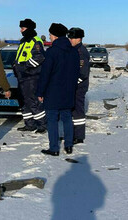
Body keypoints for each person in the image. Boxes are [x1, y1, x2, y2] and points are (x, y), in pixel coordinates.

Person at [37, 23, 80, 156]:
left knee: (52, 120)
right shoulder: (74, 51)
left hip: (53, 92)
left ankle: (54, 148)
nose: (49, 36)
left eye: (50, 34)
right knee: (67, 118)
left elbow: (45, 74)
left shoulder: (52, 52)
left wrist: (40, 92)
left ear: (54, 36)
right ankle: (68, 146)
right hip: (68, 91)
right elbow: (76, 72)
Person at [13, 18, 47, 133]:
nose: (21, 31)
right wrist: (15, 66)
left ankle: (42, 125)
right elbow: (20, 57)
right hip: (22, 77)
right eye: (20, 28)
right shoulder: (23, 41)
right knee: (24, 101)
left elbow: (39, 57)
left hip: (31, 77)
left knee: (33, 102)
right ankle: (29, 124)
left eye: (22, 28)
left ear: (29, 28)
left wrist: (25, 66)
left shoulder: (35, 41)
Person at [68, 27, 90, 145]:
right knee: (73, 110)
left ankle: (79, 136)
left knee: (78, 110)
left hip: (79, 86)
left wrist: (73, 82)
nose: (70, 40)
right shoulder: (73, 50)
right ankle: (74, 134)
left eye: (72, 38)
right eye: (69, 38)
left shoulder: (81, 52)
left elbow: (83, 72)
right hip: (73, 85)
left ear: (79, 39)